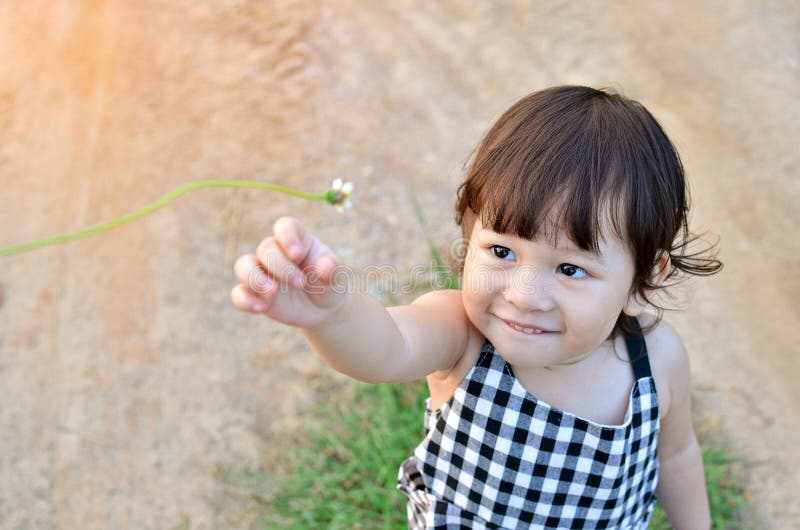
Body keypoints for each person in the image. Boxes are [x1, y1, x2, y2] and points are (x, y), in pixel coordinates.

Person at [230, 85, 722, 529]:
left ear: (643, 281)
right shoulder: (462, 334)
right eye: (502, 251)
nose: (524, 296)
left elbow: (675, 456)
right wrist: (332, 315)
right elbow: (386, 347)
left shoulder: (656, 360)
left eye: (571, 269)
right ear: (471, 233)